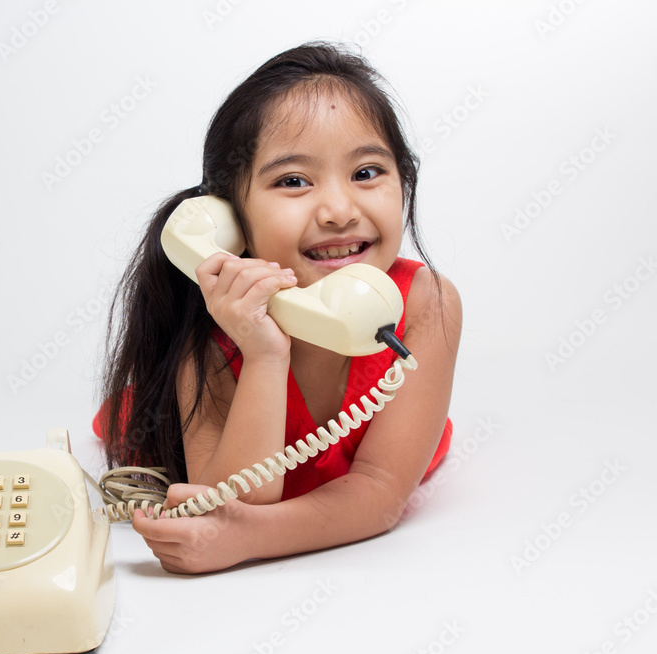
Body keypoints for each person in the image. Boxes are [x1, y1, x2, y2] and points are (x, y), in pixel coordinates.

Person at [96, 41, 462, 574]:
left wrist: (246, 541)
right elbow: (235, 500)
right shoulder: (213, 333)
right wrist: (263, 352)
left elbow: (379, 492)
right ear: (227, 216)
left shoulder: (427, 304)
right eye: (293, 181)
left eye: (366, 173)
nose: (339, 211)